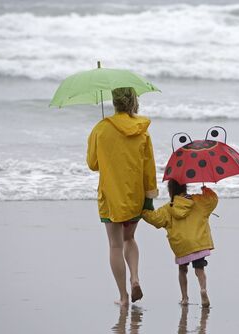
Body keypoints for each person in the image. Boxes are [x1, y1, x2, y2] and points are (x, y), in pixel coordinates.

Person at [87, 87, 158, 306]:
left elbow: (93, 164)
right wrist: (149, 198)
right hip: (135, 196)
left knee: (115, 245)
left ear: (114, 102)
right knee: (130, 239)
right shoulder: (142, 130)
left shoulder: (101, 128)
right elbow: (149, 168)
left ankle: (124, 297)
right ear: (134, 102)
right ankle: (135, 278)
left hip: (110, 196)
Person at [142, 180, 218, 307]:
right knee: (200, 268)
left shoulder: (168, 208)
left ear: (170, 190)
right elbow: (213, 200)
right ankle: (203, 289)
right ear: (185, 187)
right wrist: (206, 190)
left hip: (181, 245)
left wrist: (144, 210)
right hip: (198, 241)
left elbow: (155, 219)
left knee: (182, 270)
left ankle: (184, 298)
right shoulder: (198, 201)